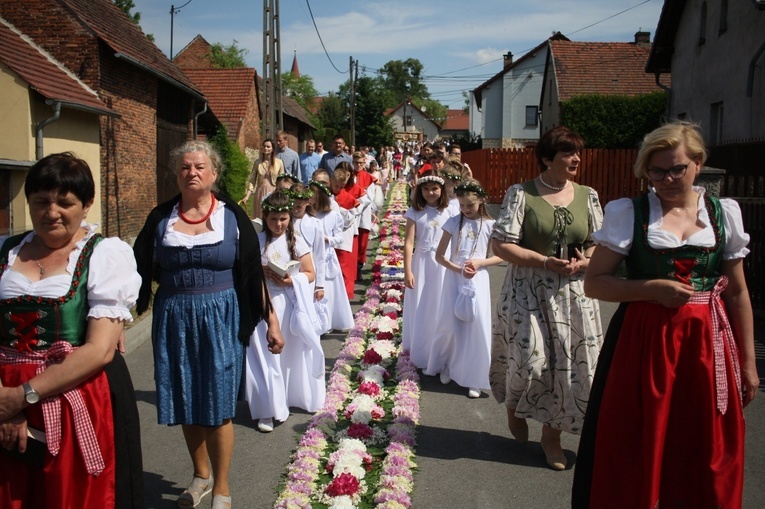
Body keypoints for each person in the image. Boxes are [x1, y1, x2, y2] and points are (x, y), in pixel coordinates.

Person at [571, 122, 758, 509]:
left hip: (708, 344)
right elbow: (596, 283)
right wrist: (649, 289)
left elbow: (738, 293)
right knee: (641, 440)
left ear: (698, 163)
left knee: (704, 443)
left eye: (677, 168)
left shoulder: (723, 215)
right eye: (656, 171)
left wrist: (748, 362)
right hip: (645, 342)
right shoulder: (630, 213)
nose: (667, 179)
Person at [134, 141, 284, 509]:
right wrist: (115, 321)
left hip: (221, 316)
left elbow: (251, 276)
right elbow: (136, 270)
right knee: (186, 399)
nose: (192, 173)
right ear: (176, 174)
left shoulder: (232, 219)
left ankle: (222, 486)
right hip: (174, 317)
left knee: (217, 405)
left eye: (200, 167)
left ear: (214, 174)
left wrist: (271, 320)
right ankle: (200, 475)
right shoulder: (160, 219)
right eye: (185, 167)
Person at [0, 152, 144, 508]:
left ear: (87, 204)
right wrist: (5, 404)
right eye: (41, 202)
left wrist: (23, 396)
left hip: (79, 394)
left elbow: (99, 350)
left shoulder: (105, 254)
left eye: (65, 203)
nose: (51, 213)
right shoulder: (6, 251)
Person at [488, 126, 603, 471]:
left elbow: (599, 241)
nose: (576, 159)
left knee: (570, 368)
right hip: (529, 287)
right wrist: (544, 261)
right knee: (532, 359)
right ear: (547, 159)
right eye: (568, 153)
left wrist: (586, 260)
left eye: (577, 152)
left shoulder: (588, 195)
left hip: (573, 292)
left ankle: (552, 438)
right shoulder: (521, 194)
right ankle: (514, 406)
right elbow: (501, 244)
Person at [243, 191, 324, 433]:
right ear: (264, 217)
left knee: (290, 355)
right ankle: (268, 409)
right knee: (265, 357)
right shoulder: (255, 242)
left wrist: (291, 280)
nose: (279, 225)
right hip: (262, 304)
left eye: (284, 219)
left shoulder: (297, 240)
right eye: (273, 220)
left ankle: (290, 397)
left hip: (289, 303)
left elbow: (310, 273)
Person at [434, 179, 503, 398]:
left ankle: (475, 376)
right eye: (462, 205)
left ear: (481, 201)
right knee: (451, 324)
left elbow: (501, 256)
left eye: (470, 206)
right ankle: (447, 364)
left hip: (478, 279)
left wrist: (481, 263)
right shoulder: (454, 222)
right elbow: (439, 255)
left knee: (477, 326)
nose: (465, 209)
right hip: (454, 278)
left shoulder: (491, 225)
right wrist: (457, 269)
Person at [402, 171, 451, 372]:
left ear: (441, 190)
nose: (430, 193)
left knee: (440, 305)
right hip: (421, 262)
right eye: (426, 189)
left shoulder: (449, 211)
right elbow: (409, 242)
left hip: (443, 263)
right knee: (421, 305)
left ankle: (441, 353)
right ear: (420, 191)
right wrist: (407, 271)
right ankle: (421, 352)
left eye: (435, 189)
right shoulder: (415, 212)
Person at [309, 173, 354, 332]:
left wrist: (327, 239)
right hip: (313, 256)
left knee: (330, 289)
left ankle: (331, 319)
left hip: (327, 255)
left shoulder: (332, 215)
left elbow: (339, 238)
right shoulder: (309, 215)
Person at [241, 139, 284, 219]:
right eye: (264, 146)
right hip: (260, 192)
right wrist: (247, 196)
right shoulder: (257, 163)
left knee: (272, 215)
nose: (266, 148)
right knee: (260, 216)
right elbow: (252, 181)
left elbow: (282, 180)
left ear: (272, 149)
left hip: (273, 191)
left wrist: (281, 193)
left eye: (268, 147)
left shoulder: (279, 162)